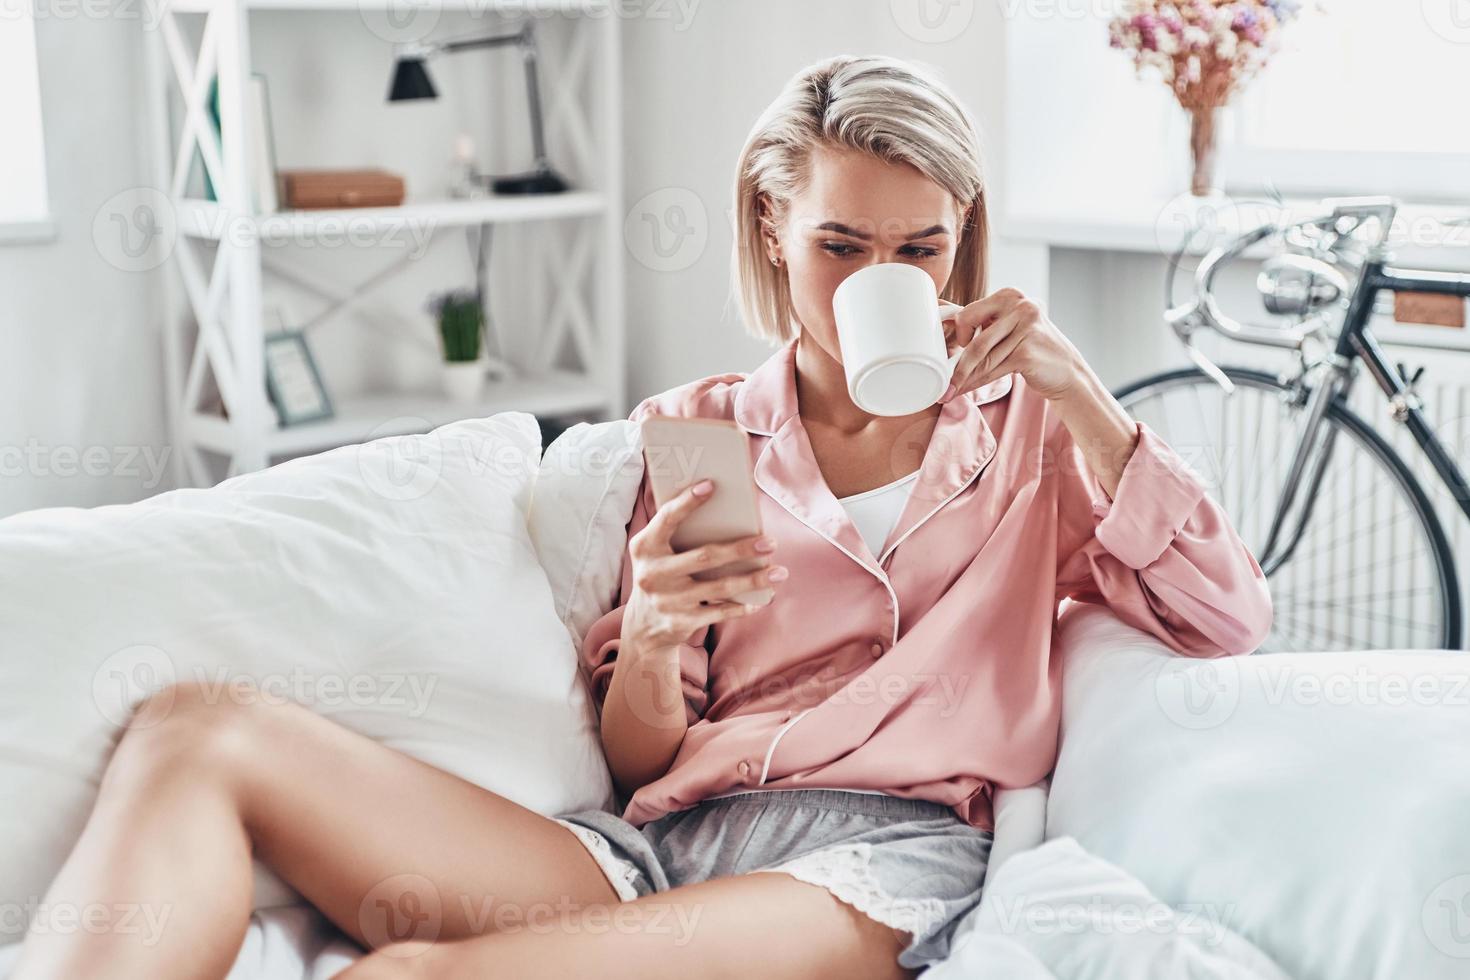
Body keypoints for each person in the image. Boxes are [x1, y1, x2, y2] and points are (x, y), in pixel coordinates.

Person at [12, 54, 1271, 980]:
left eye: (921, 249)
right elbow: (639, 763)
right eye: (840, 243)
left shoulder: (1037, 437)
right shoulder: (699, 425)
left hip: (876, 864)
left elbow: (1228, 616)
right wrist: (658, 639)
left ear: (960, 244)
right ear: (772, 229)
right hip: (658, 843)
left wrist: (1086, 395)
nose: (882, 281)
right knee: (196, 729)